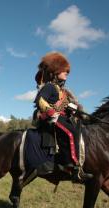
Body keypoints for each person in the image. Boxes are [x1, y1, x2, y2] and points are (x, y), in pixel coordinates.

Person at [33, 51, 92, 182]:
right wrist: (50, 112)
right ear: (55, 71)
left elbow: (71, 106)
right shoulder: (49, 87)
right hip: (51, 118)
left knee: (79, 127)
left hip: (62, 117)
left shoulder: (63, 92)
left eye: (67, 71)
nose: (67, 73)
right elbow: (40, 100)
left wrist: (83, 114)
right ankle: (70, 165)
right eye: (64, 70)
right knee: (71, 131)